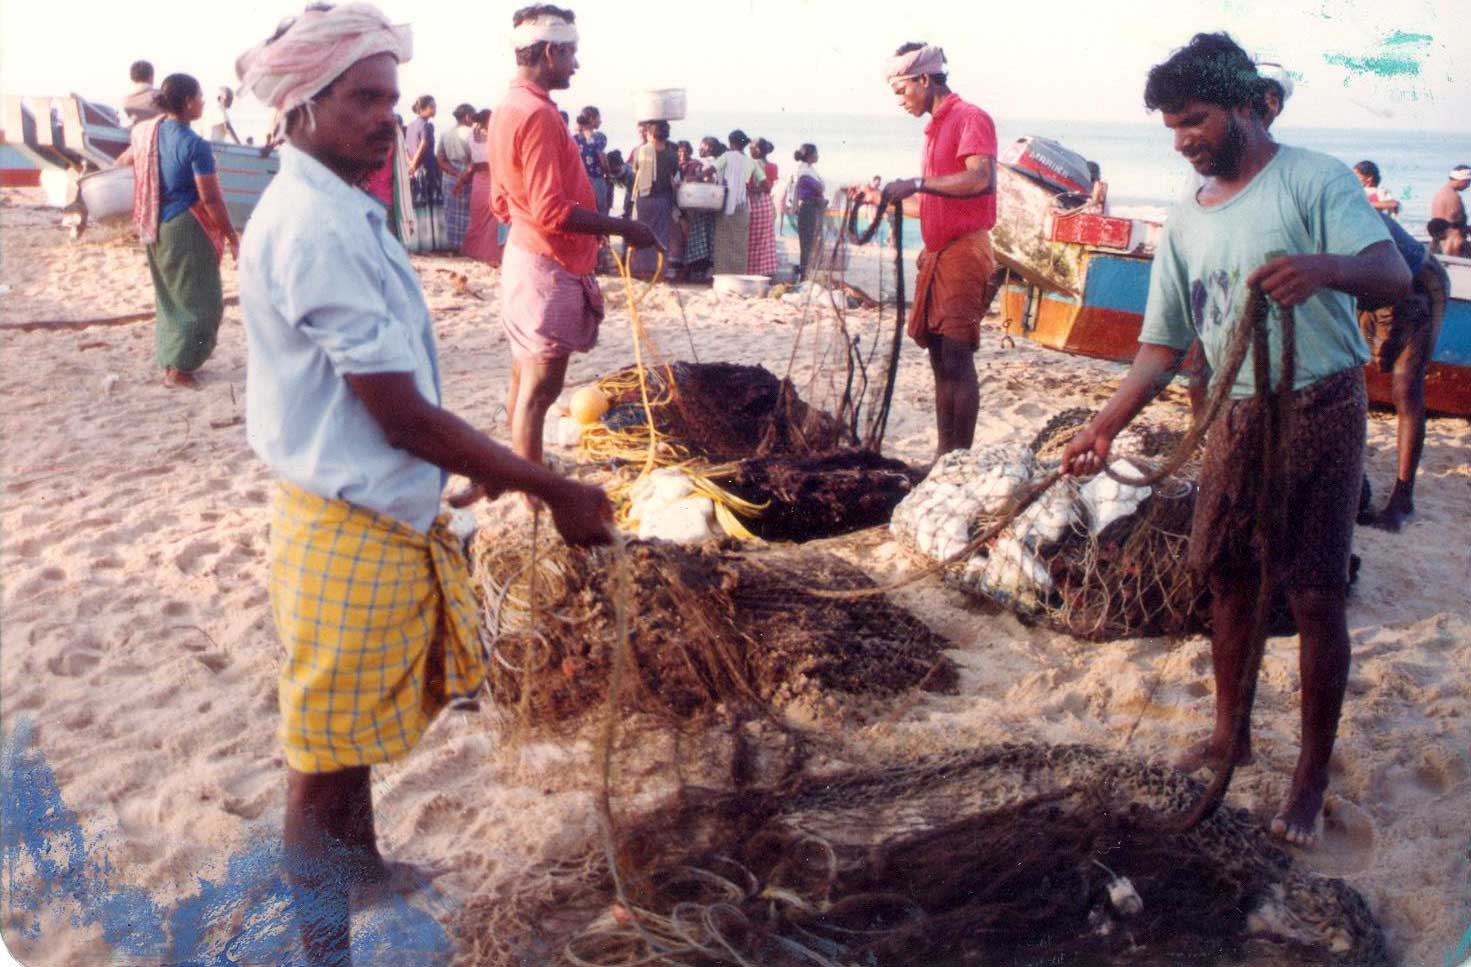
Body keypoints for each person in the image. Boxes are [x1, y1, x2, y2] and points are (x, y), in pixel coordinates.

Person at [235, 7, 613, 964]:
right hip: (343, 519)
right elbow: (398, 413)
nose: (386, 119)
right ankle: (322, 946)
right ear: (302, 106)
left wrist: (473, 468)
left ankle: (361, 867)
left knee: (345, 729)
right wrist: (546, 485)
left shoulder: (339, 204)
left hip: (367, 504)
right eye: (363, 100)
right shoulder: (312, 224)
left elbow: (395, 400)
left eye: (392, 100)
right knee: (320, 759)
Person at [1061, 32, 1410, 848]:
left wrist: (1322, 269)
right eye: (1171, 127)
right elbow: (1161, 346)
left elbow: (1392, 275)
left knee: (1315, 592)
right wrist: (1103, 425)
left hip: (1320, 402)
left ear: (1245, 106)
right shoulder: (1186, 219)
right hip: (1234, 411)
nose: (1182, 140)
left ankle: (1309, 775)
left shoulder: (1314, 179)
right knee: (1224, 573)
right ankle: (1231, 735)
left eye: (1194, 120)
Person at [480, 4, 658, 489]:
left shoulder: (508, 106)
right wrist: (624, 226)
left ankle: (524, 465)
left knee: (524, 376)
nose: (576, 65)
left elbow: (503, 201)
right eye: (571, 54)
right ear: (550, 52)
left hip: (524, 256)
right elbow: (551, 210)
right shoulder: (537, 114)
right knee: (542, 388)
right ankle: (532, 485)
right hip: (546, 262)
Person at [880, 42, 998, 459]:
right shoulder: (934, 128)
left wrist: (916, 183)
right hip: (938, 255)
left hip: (964, 253)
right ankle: (944, 455)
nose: (900, 100)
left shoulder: (970, 117)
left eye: (902, 90)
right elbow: (935, 201)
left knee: (956, 357)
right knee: (940, 361)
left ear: (925, 79)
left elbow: (980, 178)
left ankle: (957, 458)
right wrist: (886, 198)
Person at [113, 73, 238, 389]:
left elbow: (123, 161)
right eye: (199, 96)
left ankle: (172, 361)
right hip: (185, 228)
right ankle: (179, 370)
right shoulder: (195, 145)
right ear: (187, 102)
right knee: (205, 304)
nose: (203, 102)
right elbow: (210, 199)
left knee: (170, 298)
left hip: (154, 222)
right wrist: (232, 236)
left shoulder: (147, 132)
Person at [1356, 214, 1449, 531]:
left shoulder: (1346, 210)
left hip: (1417, 281)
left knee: (1405, 388)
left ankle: (1403, 499)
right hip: (1365, 288)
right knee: (1347, 377)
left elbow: (1396, 281)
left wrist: (1386, 337)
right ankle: (1357, 486)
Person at [629, 119, 677, 276]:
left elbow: (635, 169)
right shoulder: (671, 154)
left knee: (640, 233)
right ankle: (659, 271)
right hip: (663, 199)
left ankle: (640, 269)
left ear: (650, 134)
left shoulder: (641, 151)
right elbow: (674, 174)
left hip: (644, 198)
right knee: (661, 237)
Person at [712, 129, 763, 275]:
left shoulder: (726, 156)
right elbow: (765, 185)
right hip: (743, 206)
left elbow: (710, 170)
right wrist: (750, 189)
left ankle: (722, 276)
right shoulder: (750, 161)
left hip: (726, 205)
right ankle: (739, 276)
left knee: (723, 243)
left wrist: (695, 177)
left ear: (731, 143)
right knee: (740, 244)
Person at [459, 108, 503, 265]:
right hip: (489, 177)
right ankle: (487, 253)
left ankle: (478, 251)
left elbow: (471, 161)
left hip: (483, 178)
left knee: (482, 217)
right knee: (488, 216)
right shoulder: (493, 135)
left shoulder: (473, 135)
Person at [403, 94, 445, 251]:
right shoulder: (427, 126)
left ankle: (418, 243)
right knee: (429, 205)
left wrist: (410, 165)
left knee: (418, 205)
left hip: (415, 170)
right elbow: (424, 144)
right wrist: (414, 164)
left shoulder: (410, 126)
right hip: (426, 168)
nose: (435, 109)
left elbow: (405, 148)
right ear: (422, 109)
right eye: (432, 107)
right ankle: (431, 244)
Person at [675, 138, 718, 281]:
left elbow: (706, 180)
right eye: (679, 152)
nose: (681, 155)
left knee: (698, 240)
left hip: (698, 206)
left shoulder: (700, 164)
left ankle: (694, 272)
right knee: (703, 240)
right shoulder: (689, 165)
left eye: (684, 152)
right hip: (702, 206)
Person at [438, 102, 476, 250]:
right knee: (467, 211)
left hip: (449, 174)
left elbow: (440, 159)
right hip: (468, 173)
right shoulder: (472, 133)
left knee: (451, 211)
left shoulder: (445, 133)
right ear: (467, 117)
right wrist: (463, 175)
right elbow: (475, 159)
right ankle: (467, 245)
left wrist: (455, 173)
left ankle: (453, 245)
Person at [792, 143, 826, 278]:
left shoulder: (809, 169)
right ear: (810, 155)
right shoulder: (805, 172)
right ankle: (804, 274)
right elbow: (819, 188)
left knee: (811, 243)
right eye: (816, 153)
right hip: (809, 208)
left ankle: (807, 273)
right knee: (807, 243)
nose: (818, 156)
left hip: (812, 207)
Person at [747, 137, 779, 276]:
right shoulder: (773, 167)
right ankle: (762, 272)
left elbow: (751, 187)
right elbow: (769, 187)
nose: (749, 150)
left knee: (751, 241)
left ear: (758, 150)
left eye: (751, 148)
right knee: (764, 241)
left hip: (754, 204)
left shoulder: (752, 165)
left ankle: (750, 272)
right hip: (767, 205)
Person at [573, 106, 610, 215]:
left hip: (580, 181)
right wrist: (608, 174)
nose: (600, 121)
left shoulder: (575, 138)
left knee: (584, 212)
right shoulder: (599, 137)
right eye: (598, 118)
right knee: (601, 212)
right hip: (596, 179)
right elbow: (602, 160)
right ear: (591, 119)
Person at [121, 60, 161, 127]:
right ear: (151, 76)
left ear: (131, 77)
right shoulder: (159, 95)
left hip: (135, 131)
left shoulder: (125, 100)